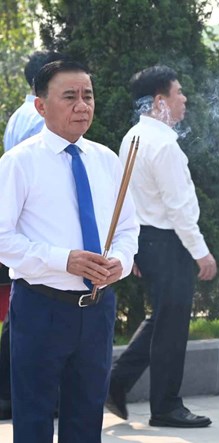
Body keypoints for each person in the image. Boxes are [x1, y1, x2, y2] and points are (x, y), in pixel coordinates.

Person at [0, 59, 139, 442]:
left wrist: (121, 261)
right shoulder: (19, 163)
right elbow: (2, 237)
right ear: (41, 105)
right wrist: (64, 260)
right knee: (34, 418)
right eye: (70, 97)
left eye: (88, 96)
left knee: (87, 417)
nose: (82, 106)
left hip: (97, 309)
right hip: (41, 307)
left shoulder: (106, 160)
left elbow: (128, 227)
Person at [106, 65, 217, 428]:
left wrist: (133, 246)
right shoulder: (163, 145)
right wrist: (201, 252)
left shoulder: (133, 137)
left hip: (147, 240)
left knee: (163, 320)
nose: (184, 98)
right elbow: (178, 208)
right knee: (172, 327)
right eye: (178, 92)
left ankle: (115, 383)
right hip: (168, 243)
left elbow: (124, 199)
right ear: (160, 101)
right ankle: (166, 407)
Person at [0, 50, 64, 421]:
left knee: (19, 316)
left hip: (24, 225)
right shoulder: (39, 120)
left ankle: (9, 393)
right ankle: (16, 395)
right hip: (35, 227)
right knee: (31, 316)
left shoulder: (19, 114)